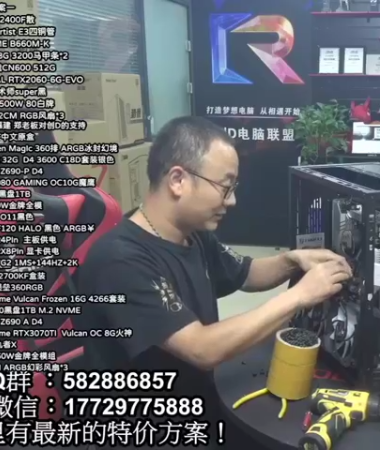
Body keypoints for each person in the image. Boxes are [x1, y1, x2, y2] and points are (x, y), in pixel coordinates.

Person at [71, 116, 352, 448]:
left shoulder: (192, 235)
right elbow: (201, 348)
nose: (231, 201)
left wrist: (293, 260)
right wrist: (300, 296)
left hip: (199, 401)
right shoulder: (120, 260)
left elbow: (246, 273)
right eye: (225, 186)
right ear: (178, 180)